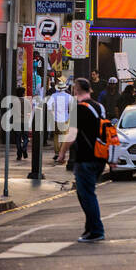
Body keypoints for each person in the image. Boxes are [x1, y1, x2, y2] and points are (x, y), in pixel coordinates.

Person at [54, 78, 107, 243]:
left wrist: (62, 153)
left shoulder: (78, 109)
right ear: (89, 89)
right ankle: (89, 228)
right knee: (84, 193)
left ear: (76, 90)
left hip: (85, 158)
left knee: (87, 194)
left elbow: (71, 134)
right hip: (100, 156)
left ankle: (96, 230)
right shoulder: (99, 107)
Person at [48, 82, 72, 159]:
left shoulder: (53, 96)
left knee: (56, 135)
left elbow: (48, 106)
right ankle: (62, 151)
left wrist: (52, 113)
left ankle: (57, 152)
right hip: (65, 119)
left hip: (55, 119)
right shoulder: (69, 96)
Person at [11, 86, 28, 159]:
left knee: (18, 138)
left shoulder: (14, 101)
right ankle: (24, 148)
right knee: (25, 137)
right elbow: (30, 110)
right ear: (23, 93)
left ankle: (19, 154)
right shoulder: (26, 101)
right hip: (25, 121)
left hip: (16, 121)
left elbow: (12, 111)